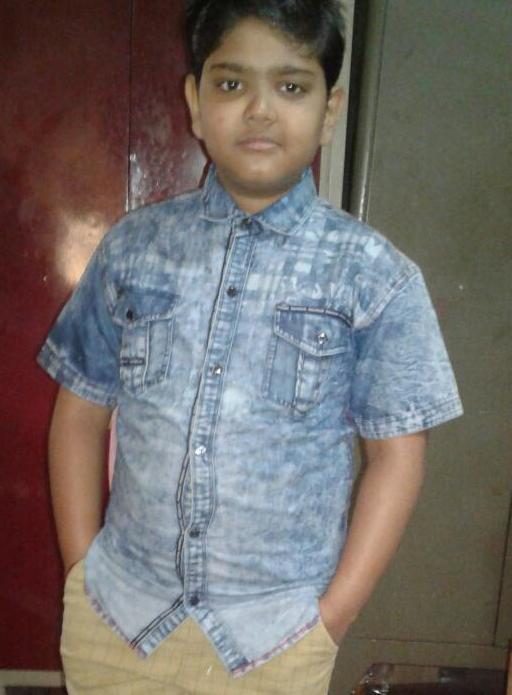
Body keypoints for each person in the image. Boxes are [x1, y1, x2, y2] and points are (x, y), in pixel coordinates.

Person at [37, 1, 463, 693]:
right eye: (232, 83)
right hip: (118, 620)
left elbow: (397, 457)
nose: (260, 110)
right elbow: (79, 415)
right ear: (195, 104)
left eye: (291, 86)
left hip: (276, 640)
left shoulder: (373, 275)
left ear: (329, 110)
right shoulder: (133, 249)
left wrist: (331, 618)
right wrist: (81, 574)